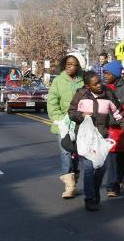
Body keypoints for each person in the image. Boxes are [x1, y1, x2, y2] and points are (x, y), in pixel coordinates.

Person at [68, 71, 124, 212]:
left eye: (100, 82)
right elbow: (71, 112)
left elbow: (118, 113)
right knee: (89, 168)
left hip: (101, 137)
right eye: (95, 84)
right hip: (85, 138)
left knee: (101, 168)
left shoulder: (108, 93)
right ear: (88, 86)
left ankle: (95, 193)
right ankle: (89, 199)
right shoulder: (81, 94)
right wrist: (81, 115)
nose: (100, 85)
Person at [47, 52, 85, 199]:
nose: (70, 67)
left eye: (73, 65)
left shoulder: (83, 80)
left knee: (76, 154)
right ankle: (69, 186)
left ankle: (74, 180)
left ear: (78, 66)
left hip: (80, 123)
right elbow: (52, 101)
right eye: (68, 64)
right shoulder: (58, 81)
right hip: (63, 124)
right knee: (65, 152)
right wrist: (59, 119)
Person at [103, 61, 124, 197]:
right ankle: (112, 186)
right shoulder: (102, 87)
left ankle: (119, 178)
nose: (105, 75)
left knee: (123, 157)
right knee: (111, 158)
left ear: (115, 74)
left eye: (108, 73)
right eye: (104, 73)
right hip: (109, 129)